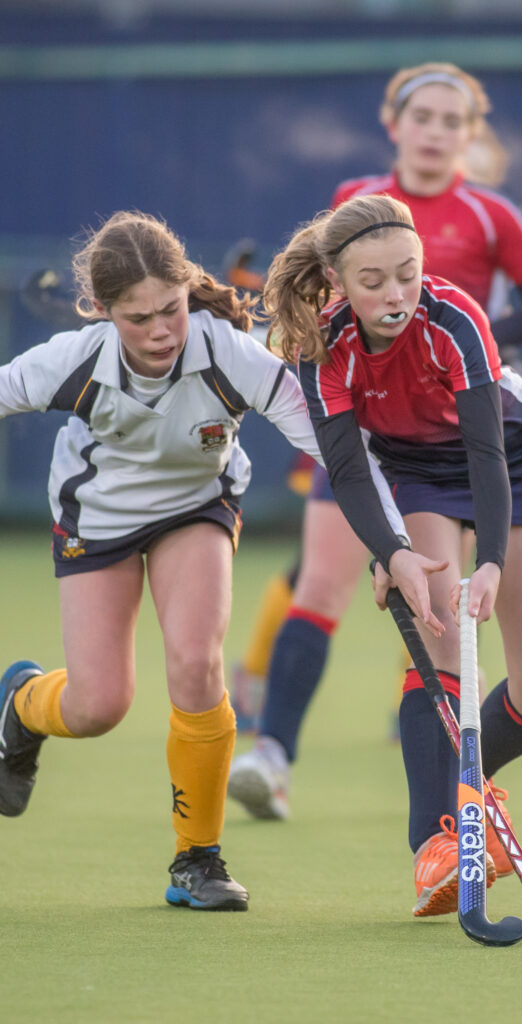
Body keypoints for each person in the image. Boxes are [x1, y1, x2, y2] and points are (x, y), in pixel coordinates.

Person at [0, 210, 410, 910]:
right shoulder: (72, 361)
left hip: (196, 509)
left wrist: (394, 544)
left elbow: (337, 454)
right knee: (99, 705)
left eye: (172, 308)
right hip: (95, 521)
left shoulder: (231, 353)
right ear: (103, 312)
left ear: (188, 289)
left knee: (197, 662)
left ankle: (199, 857)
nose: (162, 331)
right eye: (138, 319)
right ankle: (21, 703)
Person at [228, 60, 522, 820]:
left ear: (470, 136)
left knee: (447, 620)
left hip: (470, 412)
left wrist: (471, 342)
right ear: (394, 125)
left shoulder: (491, 216)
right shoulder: (354, 203)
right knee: (323, 581)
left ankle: (441, 769)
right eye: (425, 117)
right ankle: (273, 753)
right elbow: (316, 306)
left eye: (454, 121)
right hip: (375, 431)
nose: (437, 132)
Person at [261, 193, 522, 917]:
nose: (396, 294)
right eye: (373, 282)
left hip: (508, 465)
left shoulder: (456, 319)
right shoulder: (323, 344)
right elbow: (344, 467)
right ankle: (438, 839)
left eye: (407, 273)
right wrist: (393, 552)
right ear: (338, 283)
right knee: (437, 648)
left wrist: (489, 560)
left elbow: (488, 451)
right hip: (417, 474)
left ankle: (468, 784)